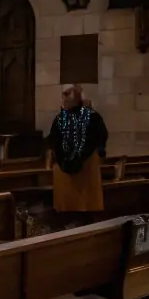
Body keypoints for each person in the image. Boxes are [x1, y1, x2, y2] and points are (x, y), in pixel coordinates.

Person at [48, 84, 108, 213]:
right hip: (79, 171)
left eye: (66, 94)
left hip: (82, 172)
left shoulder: (89, 117)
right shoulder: (91, 116)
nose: (63, 98)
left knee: (76, 210)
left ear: (77, 96)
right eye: (63, 95)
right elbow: (101, 139)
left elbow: (53, 143)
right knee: (80, 210)